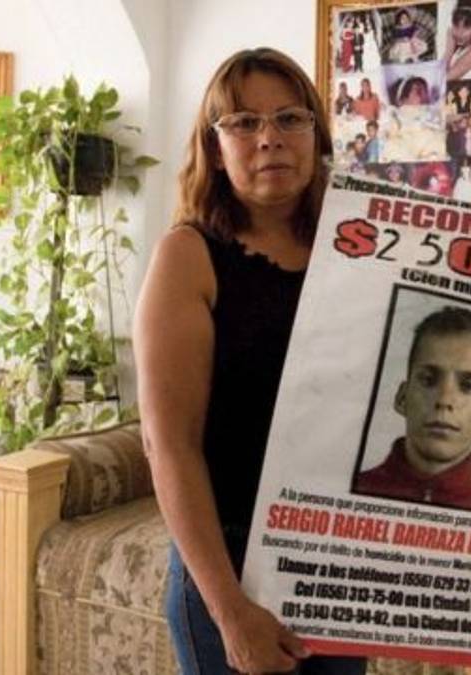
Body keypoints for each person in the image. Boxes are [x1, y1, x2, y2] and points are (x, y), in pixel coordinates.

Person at [134, 47, 366, 675]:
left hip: (336, 561)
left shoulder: (358, 250)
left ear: (316, 136)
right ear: (215, 148)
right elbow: (168, 445)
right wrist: (229, 611)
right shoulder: (188, 256)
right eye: (243, 122)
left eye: (290, 118)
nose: (270, 138)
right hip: (230, 563)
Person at [354, 306, 471, 513]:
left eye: (468, 386)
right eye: (428, 380)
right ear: (402, 398)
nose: (444, 400)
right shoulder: (352, 487)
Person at [444, 5, 471, 81]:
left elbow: (444, 79)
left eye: (466, 28)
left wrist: (449, 49)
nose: (460, 32)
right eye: (456, 26)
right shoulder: (461, 50)